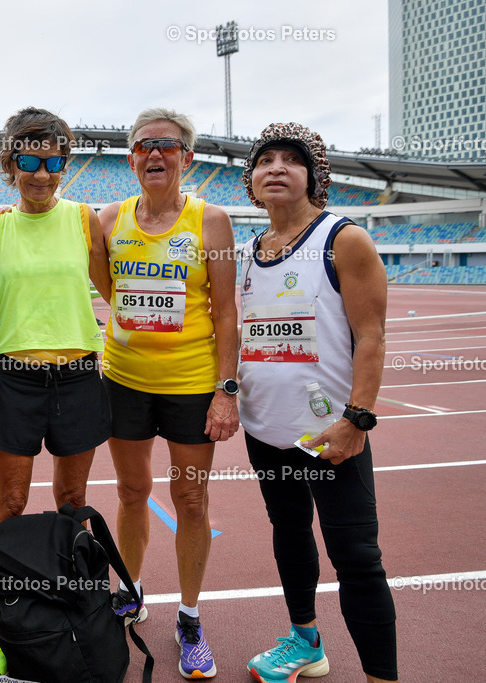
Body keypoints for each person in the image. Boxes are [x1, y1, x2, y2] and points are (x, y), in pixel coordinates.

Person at [0, 106, 112, 681]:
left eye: (54, 162)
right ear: (10, 164)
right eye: (30, 161)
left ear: (64, 164)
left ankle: (82, 610)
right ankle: (0, 618)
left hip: (79, 376)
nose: (42, 174)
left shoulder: (85, 219)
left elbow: (113, 289)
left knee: (73, 502)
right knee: (11, 504)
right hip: (16, 377)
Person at [238, 122, 396, 683]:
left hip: (329, 434)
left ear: (313, 176)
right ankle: (305, 643)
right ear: (251, 180)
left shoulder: (342, 239)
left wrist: (357, 420)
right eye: (265, 160)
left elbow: (371, 336)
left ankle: (382, 676)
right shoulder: (248, 252)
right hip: (265, 430)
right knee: (289, 534)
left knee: (356, 557)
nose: (276, 168)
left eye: (291, 159)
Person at [100, 108, 239, 679]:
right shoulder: (108, 219)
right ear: (131, 158)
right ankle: (130, 592)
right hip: (125, 381)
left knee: (190, 500)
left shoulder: (212, 221)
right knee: (132, 491)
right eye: (143, 146)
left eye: (167, 145)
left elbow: (226, 312)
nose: (154, 154)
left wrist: (226, 390)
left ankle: (189, 617)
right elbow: (108, 290)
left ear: (187, 157)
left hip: (190, 384)